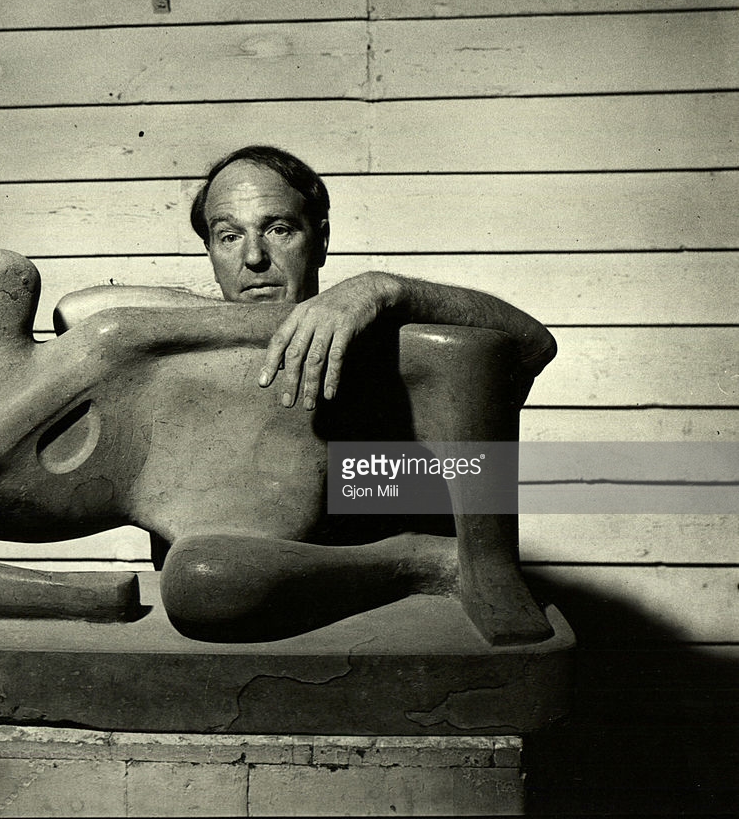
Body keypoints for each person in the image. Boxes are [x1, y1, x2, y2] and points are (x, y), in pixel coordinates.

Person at [50, 146, 557, 644]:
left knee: (209, 578)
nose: (253, 258)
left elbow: (534, 344)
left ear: (320, 239)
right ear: (209, 252)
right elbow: (75, 311)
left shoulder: (380, 344)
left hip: (381, 628)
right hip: (215, 633)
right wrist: (235, 322)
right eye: (228, 236)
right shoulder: (185, 355)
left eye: (278, 230)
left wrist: (381, 288)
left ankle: (420, 562)